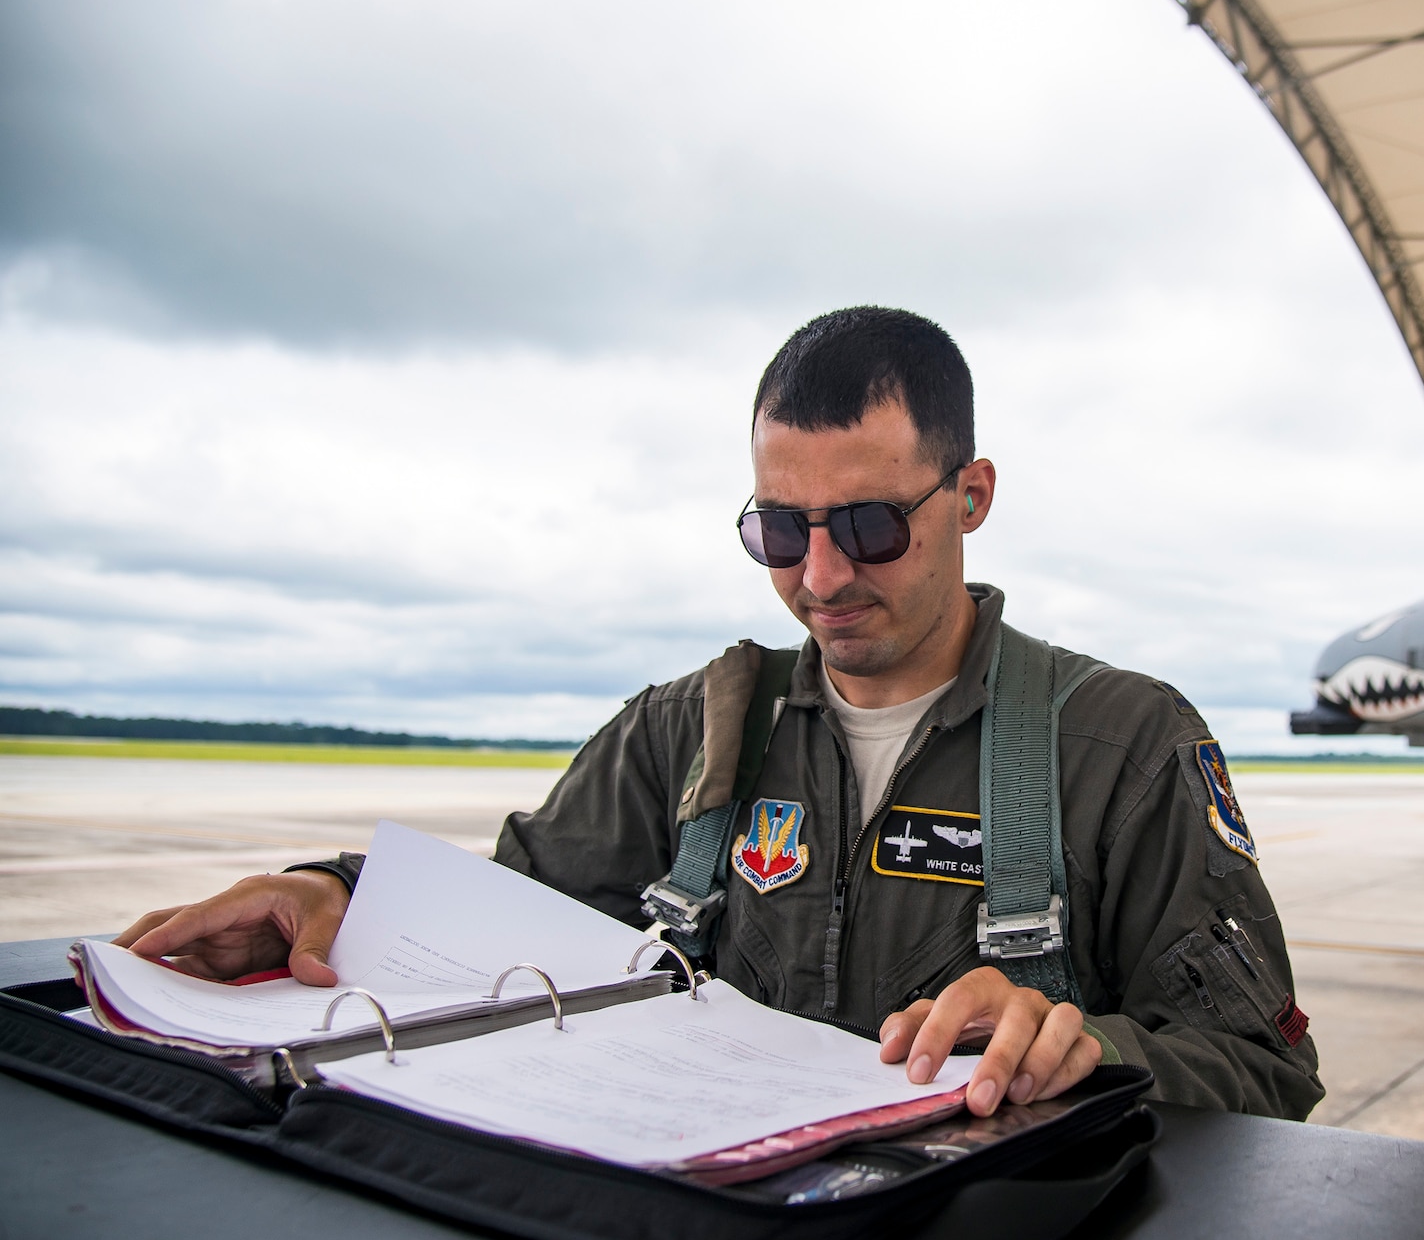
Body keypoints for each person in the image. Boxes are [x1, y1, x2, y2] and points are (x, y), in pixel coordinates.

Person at [113, 307, 1324, 1120]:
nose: (820, 577)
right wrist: (336, 892)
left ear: (971, 496)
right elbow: (502, 919)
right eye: (776, 530)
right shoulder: (683, 734)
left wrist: (1083, 1048)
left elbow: (1264, 1068)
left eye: (867, 525)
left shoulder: (1120, 747)